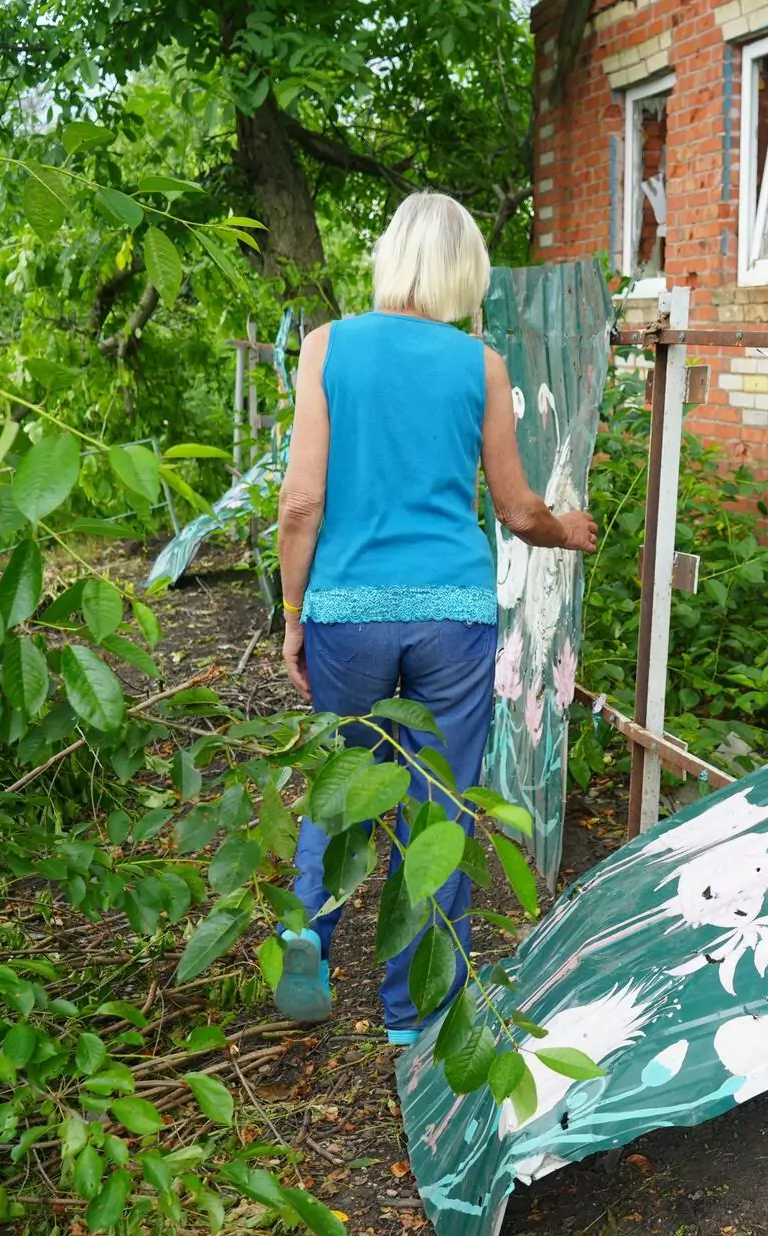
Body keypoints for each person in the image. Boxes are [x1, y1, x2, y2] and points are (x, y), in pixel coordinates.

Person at [273, 192, 598, 1045]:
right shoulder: (479, 365)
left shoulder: (327, 348)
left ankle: (307, 928)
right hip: (452, 613)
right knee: (438, 800)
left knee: (342, 779)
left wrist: (292, 613)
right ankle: (413, 1014)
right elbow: (519, 508)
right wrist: (570, 530)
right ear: (464, 273)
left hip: (347, 607)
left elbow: (302, 500)